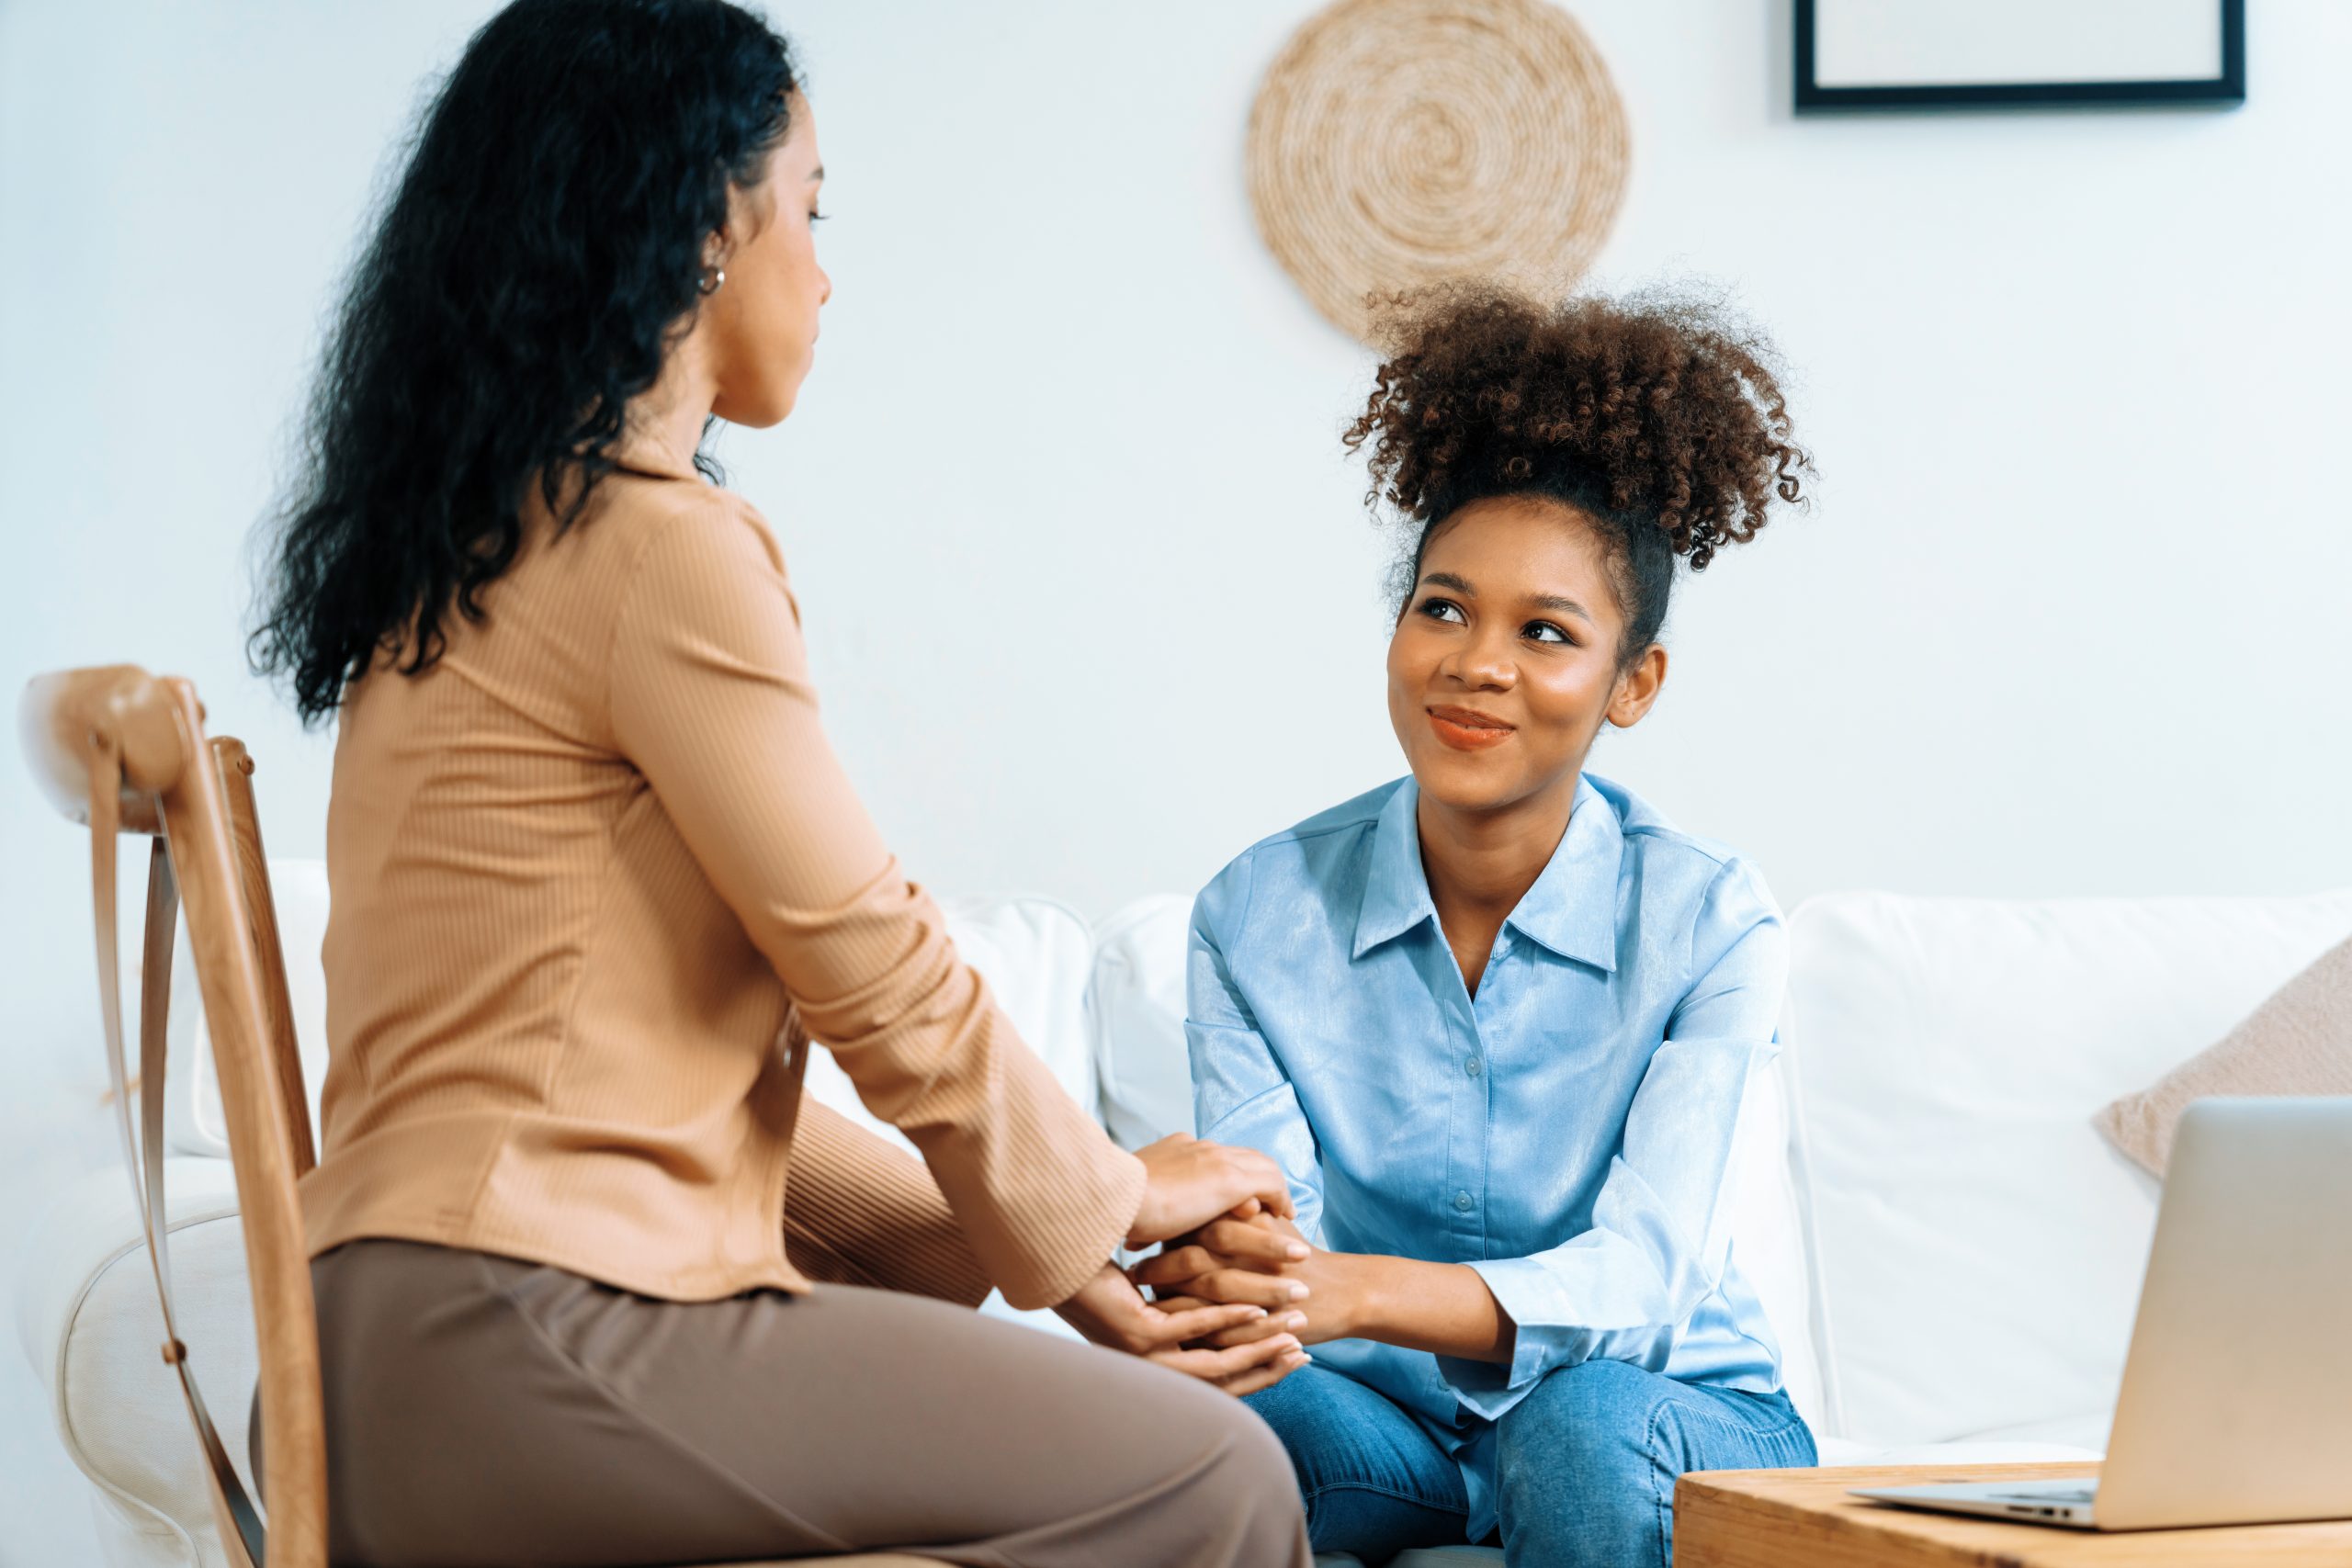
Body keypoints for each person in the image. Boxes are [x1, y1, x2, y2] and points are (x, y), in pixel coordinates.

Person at [246, 3, 1310, 1563]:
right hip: (529, 1335)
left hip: (392, 1356)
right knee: (1216, 1479)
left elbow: (637, 1067)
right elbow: (875, 967)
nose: (825, 268)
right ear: (696, 234)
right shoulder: (661, 551)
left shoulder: (468, 560)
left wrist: (1035, 1248)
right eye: (808, 210)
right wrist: (1104, 1204)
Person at [1134, 285, 1819, 1568]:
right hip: (1392, 1424)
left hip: (1671, 1414)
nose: (1474, 662)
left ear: (1634, 684)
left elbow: (1649, 1280)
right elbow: (1259, 1253)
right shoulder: (1255, 914)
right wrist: (1236, 1282)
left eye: (1544, 632)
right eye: (1442, 608)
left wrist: (1355, 1291)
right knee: (1195, 1410)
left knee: (1577, 1430)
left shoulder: (1710, 919)